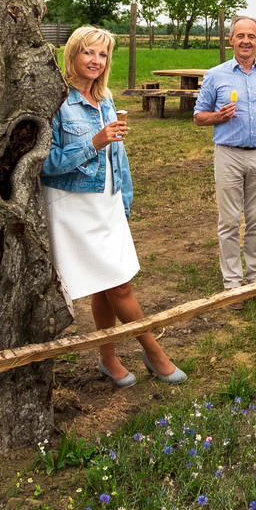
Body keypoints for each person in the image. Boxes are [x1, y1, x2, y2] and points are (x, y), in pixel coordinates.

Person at [41, 26, 185, 387]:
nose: (96, 60)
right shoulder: (57, 101)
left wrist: (124, 199)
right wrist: (93, 141)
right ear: (73, 54)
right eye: (88, 52)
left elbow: (117, 158)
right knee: (120, 286)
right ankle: (155, 352)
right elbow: (45, 164)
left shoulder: (104, 99)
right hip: (75, 205)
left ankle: (107, 358)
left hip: (106, 201)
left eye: (103, 55)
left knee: (106, 283)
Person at [194, 15, 256, 303]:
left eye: (251, 36)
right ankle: (233, 285)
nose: (246, 41)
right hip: (229, 156)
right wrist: (217, 117)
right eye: (240, 36)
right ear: (230, 40)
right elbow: (198, 116)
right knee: (230, 221)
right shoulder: (216, 75)